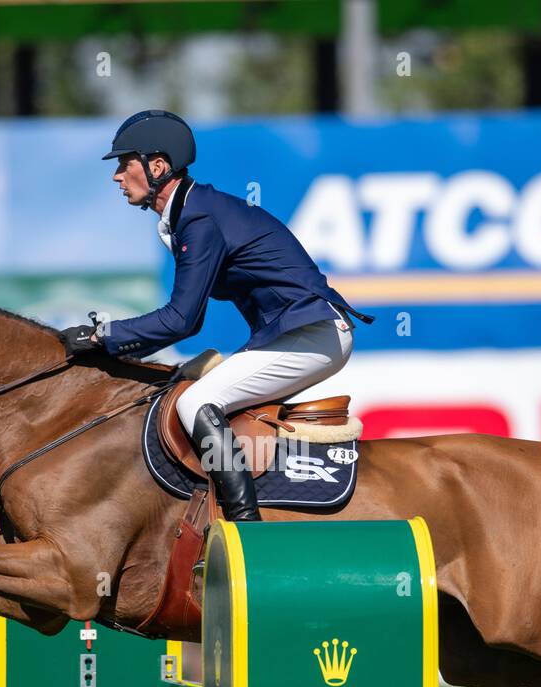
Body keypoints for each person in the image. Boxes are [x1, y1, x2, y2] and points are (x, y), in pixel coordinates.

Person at [58, 110, 373, 522]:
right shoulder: (188, 213)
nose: (117, 176)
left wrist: (104, 336)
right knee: (191, 387)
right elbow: (185, 321)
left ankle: (246, 527)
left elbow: (181, 321)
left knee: (196, 402)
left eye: (124, 163)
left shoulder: (198, 217)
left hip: (314, 334)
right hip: (295, 333)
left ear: (157, 166)